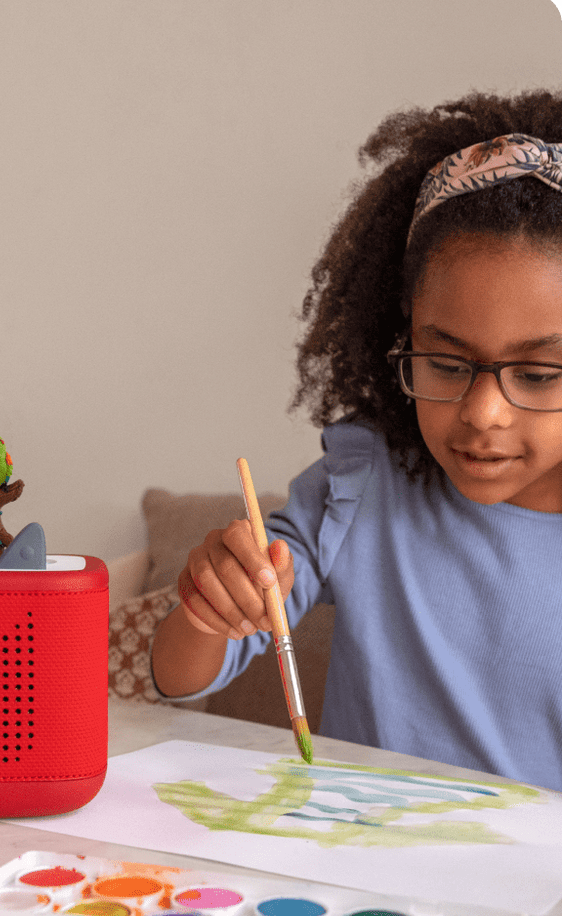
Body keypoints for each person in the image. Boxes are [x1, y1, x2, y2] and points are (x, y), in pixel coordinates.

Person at [151, 89, 562, 791]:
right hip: (362, 875)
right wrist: (212, 604)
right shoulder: (362, 484)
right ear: (399, 335)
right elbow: (180, 676)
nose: (484, 412)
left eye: (536, 372)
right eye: (446, 363)